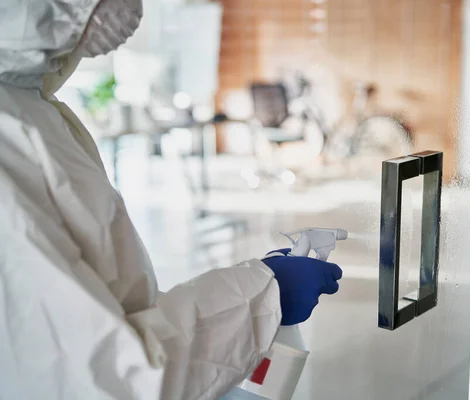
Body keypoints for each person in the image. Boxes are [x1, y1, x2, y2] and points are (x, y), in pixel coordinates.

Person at [0, 1, 343, 399]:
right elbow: (108, 375)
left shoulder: (28, 108)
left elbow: (100, 309)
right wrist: (261, 296)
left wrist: (259, 288)